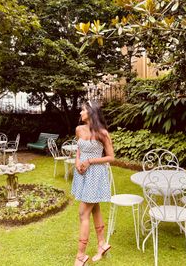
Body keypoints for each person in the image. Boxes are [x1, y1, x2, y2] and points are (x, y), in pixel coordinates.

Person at [72, 100, 115, 266]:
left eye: (82, 110)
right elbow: (79, 149)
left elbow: (111, 157)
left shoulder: (102, 133)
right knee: (94, 208)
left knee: (83, 213)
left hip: (95, 175)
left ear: (91, 112)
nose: (80, 113)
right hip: (82, 174)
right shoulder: (79, 130)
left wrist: (90, 161)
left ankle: (80, 256)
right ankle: (102, 244)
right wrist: (77, 162)